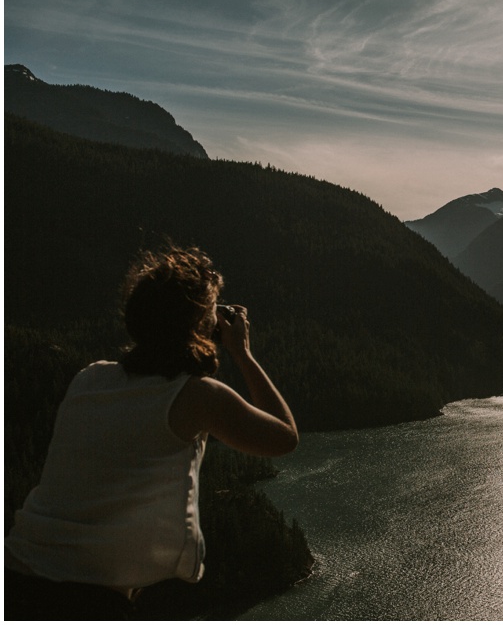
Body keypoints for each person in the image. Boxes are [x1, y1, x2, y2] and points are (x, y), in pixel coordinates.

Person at [4, 245, 298, 619]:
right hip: (83, 604)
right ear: (199, 326)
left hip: (14, 577)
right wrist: (242, 352)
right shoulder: (196, 396)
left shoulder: (89, 379)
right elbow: (285, 437)